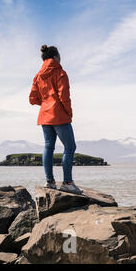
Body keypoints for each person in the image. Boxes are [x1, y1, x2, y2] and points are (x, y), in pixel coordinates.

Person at [29, 45, 82, 194]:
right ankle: (67, 183)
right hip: (59, 115)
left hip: (44, 115)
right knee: (70, 147)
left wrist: (46, 103)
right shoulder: (60, 73)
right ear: (57, 56)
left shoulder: (38, 75)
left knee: (48, 147)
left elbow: (32, 98)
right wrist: (68, 113)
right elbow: (64, 96)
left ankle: (50, 181)